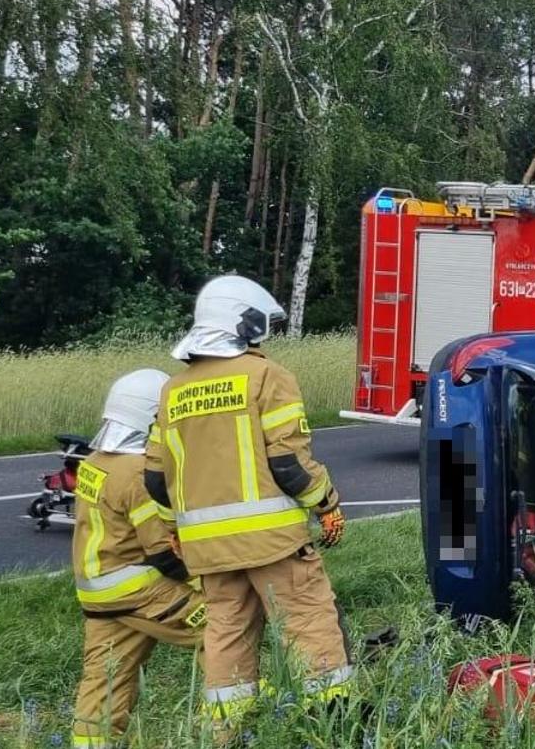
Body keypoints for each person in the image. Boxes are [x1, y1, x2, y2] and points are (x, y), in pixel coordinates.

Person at [145, 275, 349, 736]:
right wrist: (327, 504)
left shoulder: (172, 391)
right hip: (272, 542)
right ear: (244, 323)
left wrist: (173, 530)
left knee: (227, 634)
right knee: (308, 623)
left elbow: (156, 480)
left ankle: (226, 733)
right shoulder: (265, 376)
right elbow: (289, 463)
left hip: (207, 550)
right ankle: (332, 724)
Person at [71, 369, 205, 748]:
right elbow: (162, 550)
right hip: (138, 587)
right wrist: (202, 580)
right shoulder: (135, 472)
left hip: (97, 594)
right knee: (223, 631)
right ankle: (230, 725)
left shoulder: (94, 461)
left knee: (105, 679)